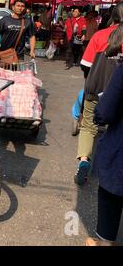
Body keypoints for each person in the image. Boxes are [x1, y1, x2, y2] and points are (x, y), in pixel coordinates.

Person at [74, 2, 123, 185]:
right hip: (119, 94)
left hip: (96, 88)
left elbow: (85, 66)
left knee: (87, 127)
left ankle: (84, 161)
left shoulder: (100, 35)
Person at [85, 27, 123, 245]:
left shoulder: (102, 35)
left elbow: (105, 112)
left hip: (119, 146)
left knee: (111, 193)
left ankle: (103, 240)